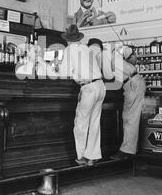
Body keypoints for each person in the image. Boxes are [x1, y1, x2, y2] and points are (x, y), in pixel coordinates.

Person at [59, 25, 106, 166]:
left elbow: (63, 73)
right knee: (94, 122)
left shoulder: (69, 50)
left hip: (88, 88)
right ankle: (92, 156)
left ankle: (81, 156)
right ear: (78, 38)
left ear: (67, 40)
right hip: (100, 86)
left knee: (80, 124)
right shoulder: (86, 48)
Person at [110, 45, 146, 160]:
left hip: (132, 84)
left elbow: (127, 52)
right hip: (133, 83)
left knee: (130, 118)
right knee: (128, 118)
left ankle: (127, 151)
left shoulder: (113, 58)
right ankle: (128, 149)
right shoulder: (115, 58)